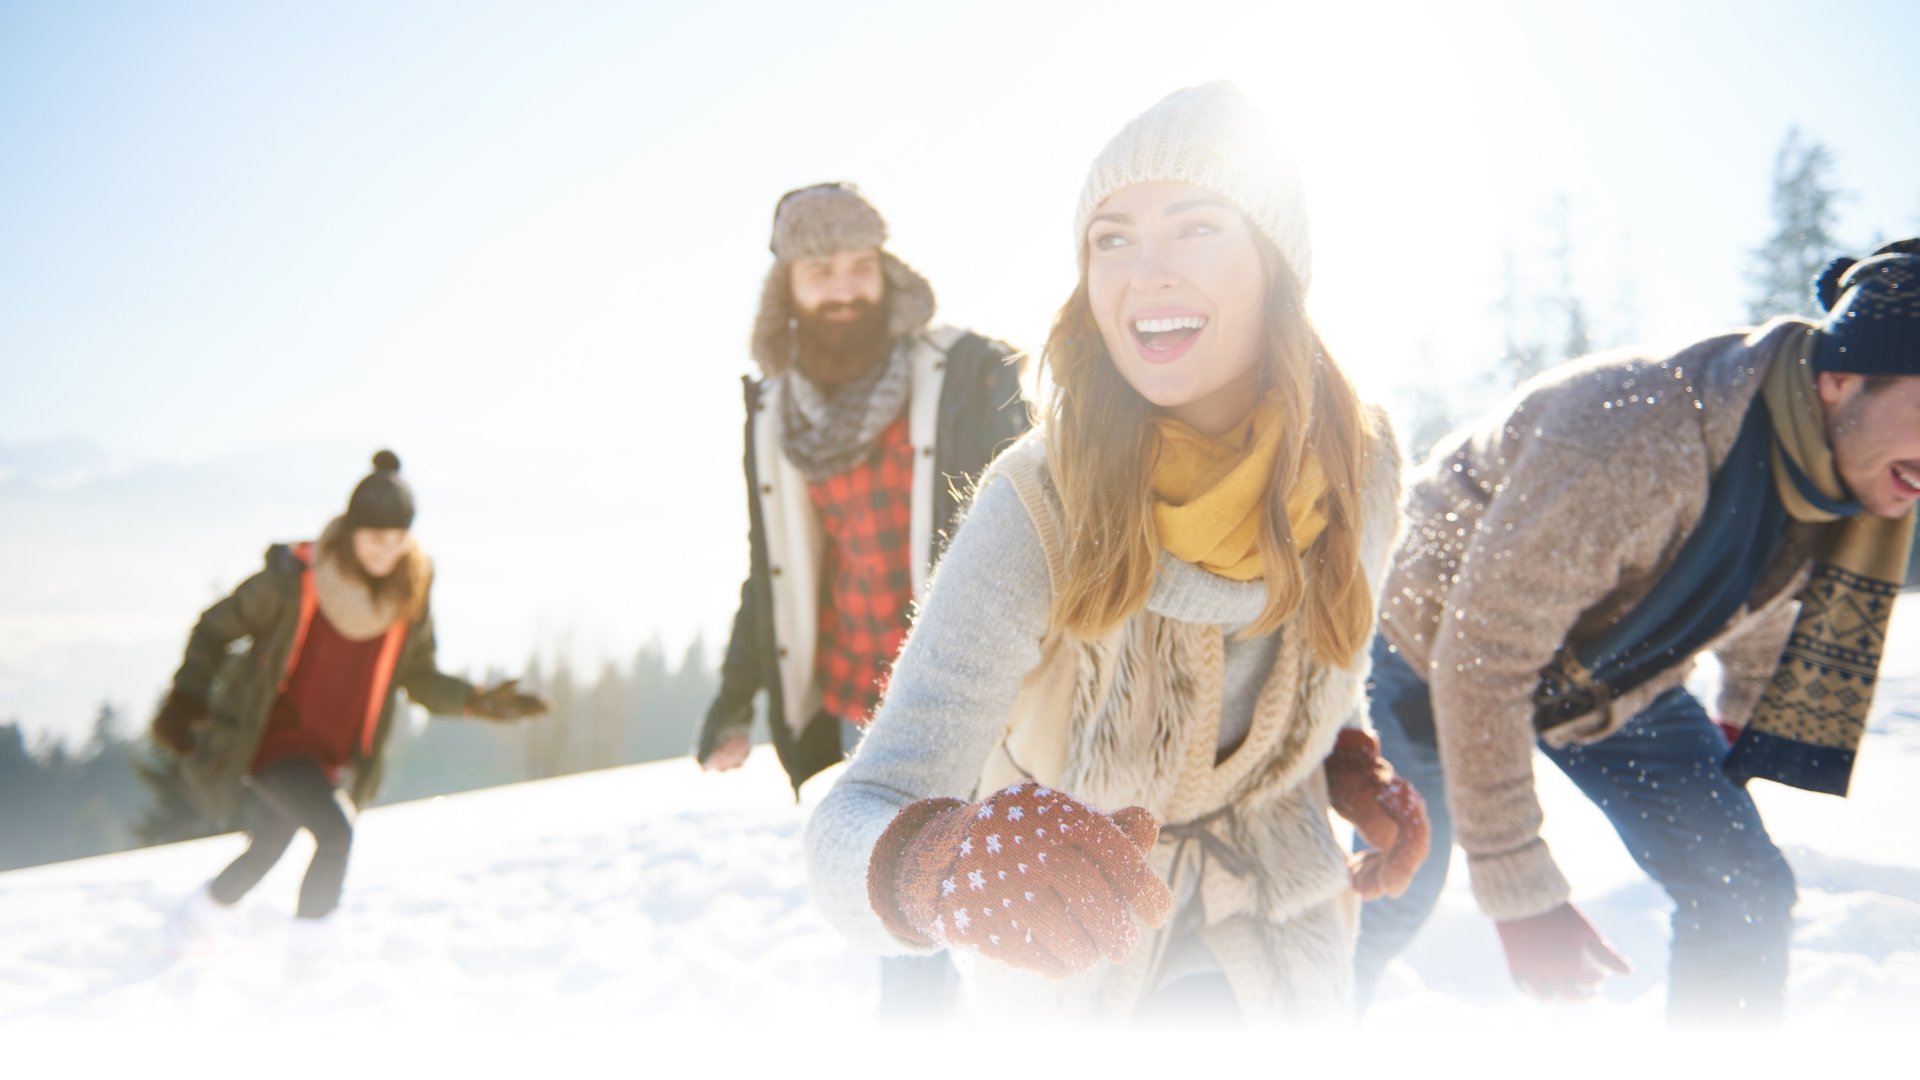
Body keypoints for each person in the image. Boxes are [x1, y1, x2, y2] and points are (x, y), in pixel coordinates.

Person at [803, 83, 1429, 1025]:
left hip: (1285, 956)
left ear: (1275, 260)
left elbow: (1309, 671)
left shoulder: (1361, 463)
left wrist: (1340, 759)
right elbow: (856, 813)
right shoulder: (1040, 502)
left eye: (1196, 228)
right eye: (1112, 239)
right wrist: (941, 861)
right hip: (1084, 969)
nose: (1145, 274)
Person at [1355, 239, 1920, 1024]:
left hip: (1616, 667)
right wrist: (1524, 899)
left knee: (1744, 887)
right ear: (1839, 380)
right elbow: (1482, 661)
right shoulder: (1635, 440)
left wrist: (1742, 716)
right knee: (1399, 884)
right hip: (1438, 644)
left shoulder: (1835, 479)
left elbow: (1759, 581)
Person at [694, 181, 1027, 790]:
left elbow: (1043, 532)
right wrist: (736, 694)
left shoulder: (965, 374)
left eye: (861, 266)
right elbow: (772, 567)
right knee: (874, 886)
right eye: (821, 271)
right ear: (786, 288)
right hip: (855, 712)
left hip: (979, 707)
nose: (845, 288)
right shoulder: (775, 411)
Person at [151, 450, 550, 953]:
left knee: (271, 843)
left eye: (397, 539)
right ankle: (308, 961)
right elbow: (214, 628)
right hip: (272, 737)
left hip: (331, 751)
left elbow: (419, 676)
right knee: (334, 836)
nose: (386, 551)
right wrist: (188, 695)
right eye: (374, 538)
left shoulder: (409, 594)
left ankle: (190, 924)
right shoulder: (295, 581)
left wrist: (477, 702)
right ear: (351, 530)